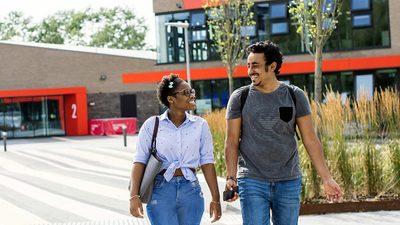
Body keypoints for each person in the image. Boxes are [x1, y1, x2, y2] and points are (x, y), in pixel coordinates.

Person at [224, 40, 342, 225]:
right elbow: (231, 141)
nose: (250, 71)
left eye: (255, 65)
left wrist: (327, 178)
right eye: (248, 66)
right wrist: (231, 177)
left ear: (272, 66)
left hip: (288, 180)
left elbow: (310, 139)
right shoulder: (240, 97)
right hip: (252, 178)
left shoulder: (295, 95)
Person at [129, 74, 222, 225]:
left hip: (191, 190)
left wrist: (215, 199)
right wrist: (134, 196)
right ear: (171, 99)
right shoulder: (152, 125)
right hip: (160, 191)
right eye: (186, 92)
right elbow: (139, 161)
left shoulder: (200, 125)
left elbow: (207, 162)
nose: (192, 95)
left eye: (191, 91)